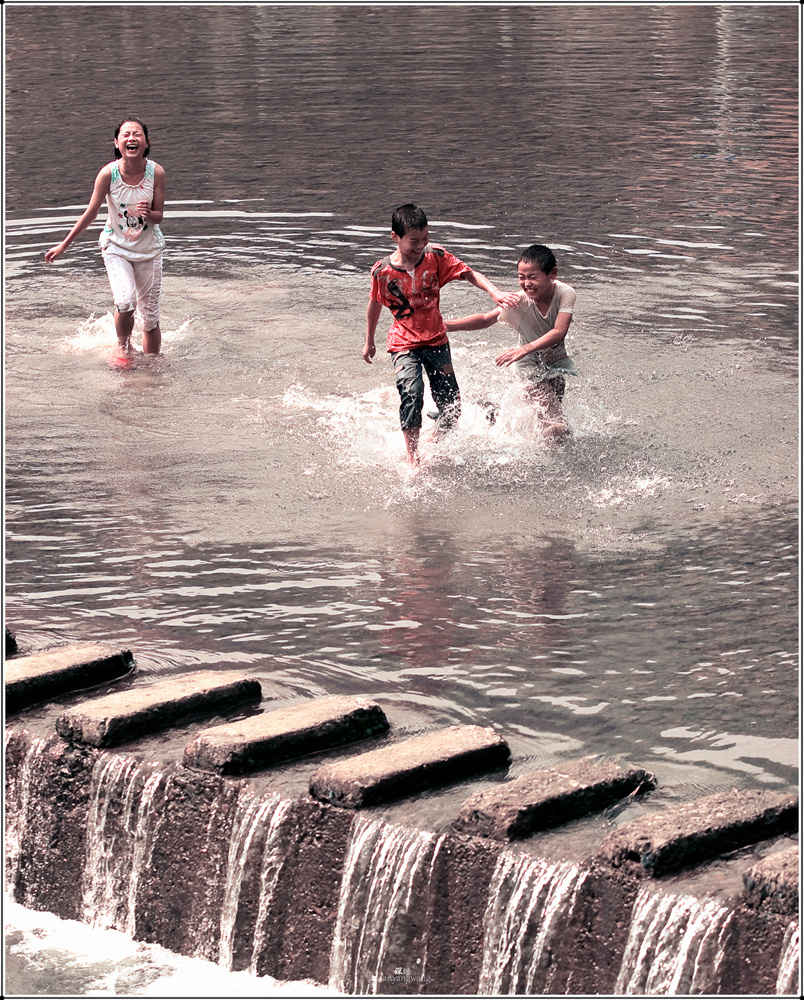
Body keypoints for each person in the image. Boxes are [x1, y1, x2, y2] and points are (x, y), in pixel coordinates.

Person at [363, 203, 509, 466]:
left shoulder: (435, 257)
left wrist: (495, 292)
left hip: (436, 340)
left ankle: (433, 439)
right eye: (414, 241)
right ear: (395, 237)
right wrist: (369, 341)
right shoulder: (382, 272)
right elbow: (374, 304)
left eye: (425, 238)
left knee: (452, 408)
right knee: (412, 392)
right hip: (403, 344)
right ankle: (413, 457)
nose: (421, 245)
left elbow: (469, 274)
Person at [45, 117, 166, 357]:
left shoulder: (157, 173)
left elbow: (159, 216)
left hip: (149, 250)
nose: (131, 138)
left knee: (150, 319)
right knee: (126, 302)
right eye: (126, 134)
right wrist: (64, 245)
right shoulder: (108, 174)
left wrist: (148, 213)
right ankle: (123, 351)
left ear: (147, 142)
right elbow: (91, 213)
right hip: (116, 247)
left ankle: (153, 366)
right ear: (117, 143)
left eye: (137, 134)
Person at [445, 243, 577, 440]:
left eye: (533, 277)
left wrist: (525, 348)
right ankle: (543, 453)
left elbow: (559, 331)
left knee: (553, 407)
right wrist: (445, 326)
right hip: (527, 364)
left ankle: (493, 415)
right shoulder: (519, 300)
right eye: (521, 277)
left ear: (553, 274)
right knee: (554, 421)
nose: (526, 283)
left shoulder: (565, 293)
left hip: (554, 361)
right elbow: (485, 319)